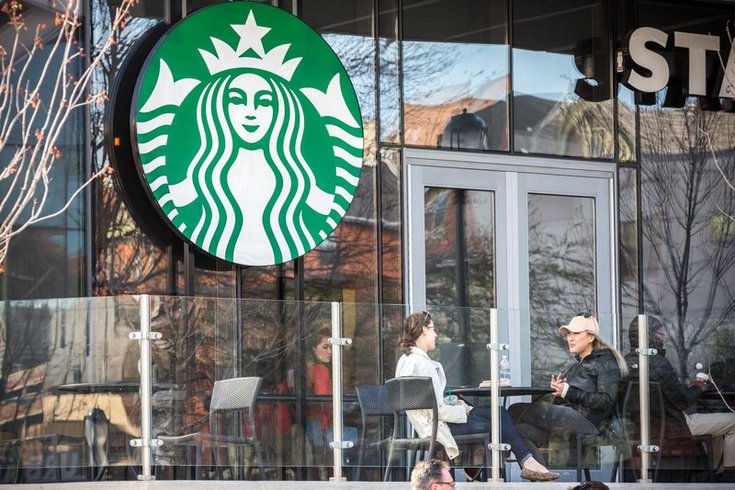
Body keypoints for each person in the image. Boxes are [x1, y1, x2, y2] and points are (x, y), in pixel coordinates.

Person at [395, 311, 560, 482]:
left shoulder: (407, 360)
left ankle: (513, 463)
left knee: (499, 412)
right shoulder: (421, 364)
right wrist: (462, 409)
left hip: (434, 423)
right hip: (439, 428)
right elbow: (438, 411)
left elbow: (428, 404)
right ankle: (521, 464)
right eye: (433, 329)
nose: (436, 334)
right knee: (497, 423)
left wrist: (455, 404)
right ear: (423, 330)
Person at [511, 313, 628, 466]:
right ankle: (541, 477)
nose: (570, 338)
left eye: (576, 333)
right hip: (569, 420)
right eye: (568, 334)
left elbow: (605, 401)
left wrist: (568, 391)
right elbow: (569, 399)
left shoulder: (606, 362)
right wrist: (558, 392)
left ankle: (497, 457)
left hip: (588, 423)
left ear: (591, 337)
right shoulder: (577, 366)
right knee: (520, 431)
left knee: (514, 409)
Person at [625, 315, 735, 474]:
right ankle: (729, 477)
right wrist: (698, 386)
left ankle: (712, 474)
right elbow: (683, 401)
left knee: (716, 429)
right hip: (674, 426)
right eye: (661, 334)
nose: (664, 339)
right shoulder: (658, 364)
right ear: (650, 335)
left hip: (643, 431)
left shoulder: (625, 363)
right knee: (733, 421)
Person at [305, 328, 358, 451]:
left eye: (332, 347)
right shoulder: (321, 370)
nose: (329, 351)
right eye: (325, 347)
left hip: (315, 425)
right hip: (326, 426)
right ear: (314, 349)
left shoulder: (311, 370)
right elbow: (325, 400)